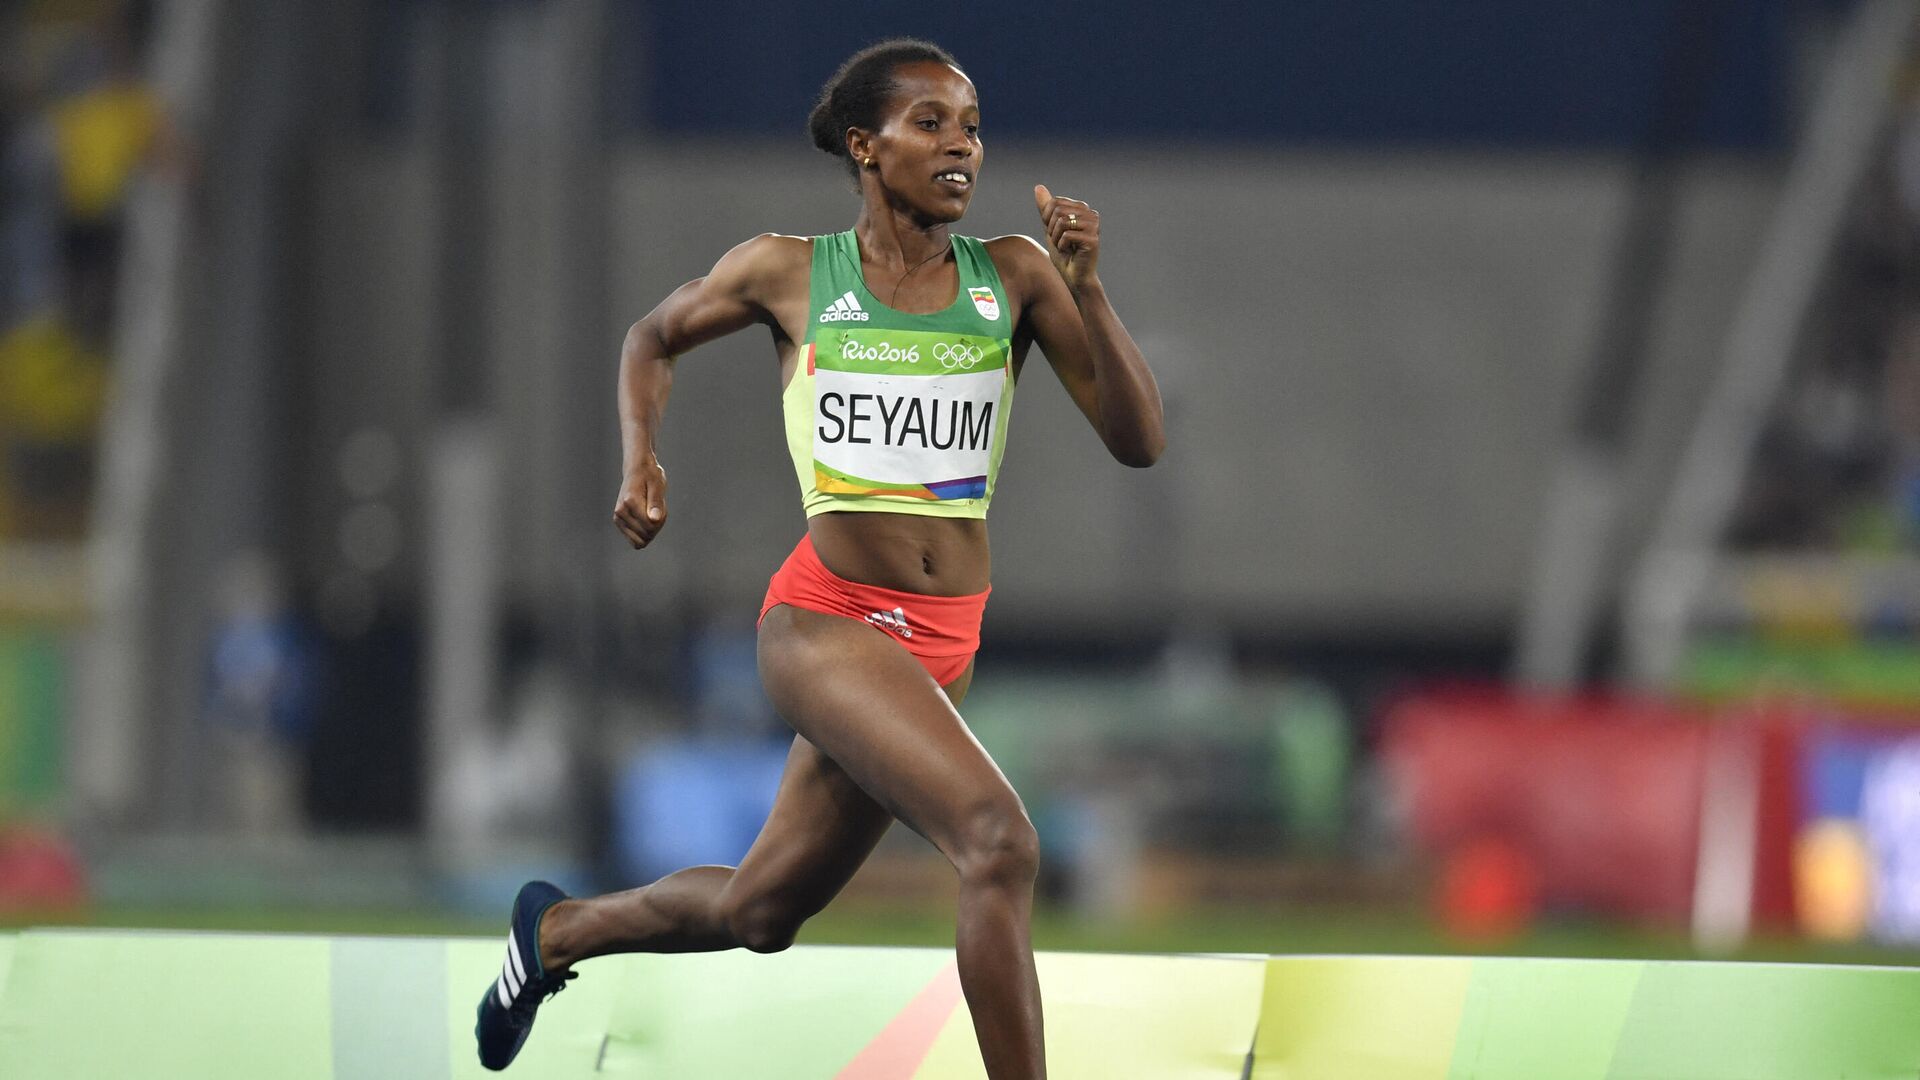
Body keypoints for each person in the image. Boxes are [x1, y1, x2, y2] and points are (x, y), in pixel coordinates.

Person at [474, 38, 1165, 1078]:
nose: (961, 148)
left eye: (972, 126)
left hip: (941, 643)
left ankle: (558, 934)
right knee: (1000, 843)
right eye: (930, 124)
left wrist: (1093, 293)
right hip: (824, 625)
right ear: (864, 146)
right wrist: (640, 461)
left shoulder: (1015, 277)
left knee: (763, 909)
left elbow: (1138, 440)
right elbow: (649, 339)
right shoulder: (791, 272)